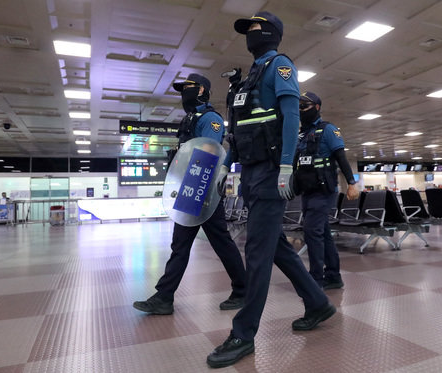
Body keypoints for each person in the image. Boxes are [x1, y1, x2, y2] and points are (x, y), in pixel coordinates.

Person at [206, 12, 335, 369]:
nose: (251, 34)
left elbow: (291, 116)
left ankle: (243, 334)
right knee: (275, 246)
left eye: (257, 28)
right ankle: (317, 302)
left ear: (274, 33)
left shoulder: (280, 65)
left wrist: (286, 166)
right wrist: (224, 165)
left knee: (258, 253)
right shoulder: (249, 80)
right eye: (247, 30)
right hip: (251, 172)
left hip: (270, 172)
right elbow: (240, 131)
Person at [133, 73, 246, 315]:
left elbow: (209, 152)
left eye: (189, 87)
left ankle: (243, 289)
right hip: (189, 188)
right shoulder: (189, 119)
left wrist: (200, 191)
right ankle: (164, 297)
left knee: (220, 243)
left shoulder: (210, 119)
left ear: (203, 91)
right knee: (182, 245)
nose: (184, 92)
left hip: (202, 190)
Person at [293, 91, 358, 289]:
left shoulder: (328, 130)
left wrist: (352, 183)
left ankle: (316, 279)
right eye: (299, 106)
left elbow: (341, 157)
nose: (301, 110)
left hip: (323, 191)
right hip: (307, 190)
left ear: (317, 107)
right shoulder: (301, 134)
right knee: (324, 233)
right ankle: (333, 276)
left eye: (305, 106)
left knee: (312, 231)